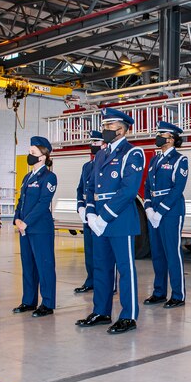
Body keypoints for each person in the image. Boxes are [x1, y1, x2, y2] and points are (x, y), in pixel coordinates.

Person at [76, 107, 145, 334]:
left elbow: (128, 190)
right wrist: (91, 213)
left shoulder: (132, 153)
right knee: (102, 267)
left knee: (125, 269)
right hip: (99, 220)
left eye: (110, 125)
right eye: (104, 125)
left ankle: (128, 316)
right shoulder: (102, 155)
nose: (105, 129)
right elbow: (92, 187)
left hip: (120, 219)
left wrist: (104, 216)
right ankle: (101, 311)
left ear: (123, 129)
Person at [143, 121, 189, 309]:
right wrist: (148, 207)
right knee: (157, 253)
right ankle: (159, 292)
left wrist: (160, 211)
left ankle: (178, 295)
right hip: (153, 210)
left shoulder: (180, 160)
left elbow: (177, 189)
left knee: (172, 253)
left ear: (171, 139)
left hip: (171, 211)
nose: (158, 137)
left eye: (162, 134)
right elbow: (147, 185)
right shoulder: (155, 160)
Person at [12, 136, 58, 317]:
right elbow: (21, 201)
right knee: (28, 265)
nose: (29, 155)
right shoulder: (26, 177)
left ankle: (47, 303)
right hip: (25, 229)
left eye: (33, 153)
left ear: (43, 157)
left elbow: (42, 203)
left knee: (44, 266)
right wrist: (16, 218)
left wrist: (26, 221)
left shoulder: (49, 177)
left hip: (40, 229)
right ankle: (29, 301)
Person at [75, 130, 104, 294]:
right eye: (91, 142)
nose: (92, 145)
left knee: (102, 252)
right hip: (87, 212)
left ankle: (105, 284)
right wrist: (80, 206)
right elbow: (81, 188)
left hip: (99, 212)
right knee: (90, 250)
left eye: (96, 142)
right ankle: (90, 280)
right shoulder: (87, 166)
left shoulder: (104, 165)